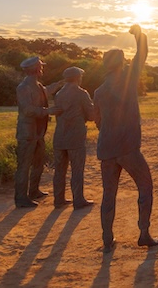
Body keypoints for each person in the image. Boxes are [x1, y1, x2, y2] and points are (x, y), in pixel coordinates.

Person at [93, 25, 158, 251]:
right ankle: (144, 233)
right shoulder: (128, 81)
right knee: (145, 186)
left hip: (106, 147)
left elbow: (97, 120)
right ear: (121, 64)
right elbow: (142, 54)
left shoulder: (99, 91)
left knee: (108, 194)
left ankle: (107, 239)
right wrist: (139, 35)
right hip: (128, 147)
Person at [14, 56, 59, 208]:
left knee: (38, 163)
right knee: (24, 165)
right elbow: (27, 110)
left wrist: (60, 84)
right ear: (36, 69)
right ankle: (21, 198)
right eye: (41, 67)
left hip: (38, 132)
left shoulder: (37, 85)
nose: (43, 69)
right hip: (27, 133)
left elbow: (46, 92)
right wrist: (48, 111)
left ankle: (34, 191)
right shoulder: (23, 87)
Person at [52, 66, 96, 209]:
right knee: (77, 169)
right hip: (75, 136)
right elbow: (91, 115)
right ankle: (78, 199)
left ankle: (58, 199)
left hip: (59, 136)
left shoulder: (59, 94)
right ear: (78, 77)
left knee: (59, 170)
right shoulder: (81, 93)